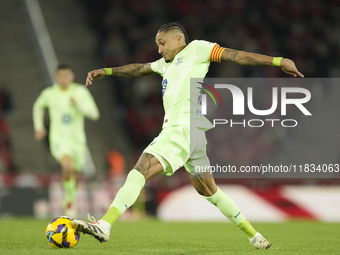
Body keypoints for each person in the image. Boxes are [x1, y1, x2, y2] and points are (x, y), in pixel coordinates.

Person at [72, 22, 303, 249]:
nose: (159, 50)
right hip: (194, 133)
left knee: (140, 169)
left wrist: (278, 61)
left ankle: (105, 225)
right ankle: (255, 236)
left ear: (179, 40)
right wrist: (107, 71)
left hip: (181, 128)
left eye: (162, 43)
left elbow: (236, 56)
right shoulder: (165, 65)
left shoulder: (197, 49)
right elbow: (140, 68)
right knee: (208, 190)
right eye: (157, 45)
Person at [33, 63, 100, 217]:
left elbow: (95, 114)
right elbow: (38, 106)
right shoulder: (49, 93)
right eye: (60, 76)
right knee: (67, 166)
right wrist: (39, 127)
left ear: (72, 77)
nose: (63, 79)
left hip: (77, 142)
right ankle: (70, 202)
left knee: (74, 175)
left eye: (66, 76)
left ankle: (69, 199)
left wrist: (79, 106)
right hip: (58, 139)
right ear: (56, 77)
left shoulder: (80, 92)